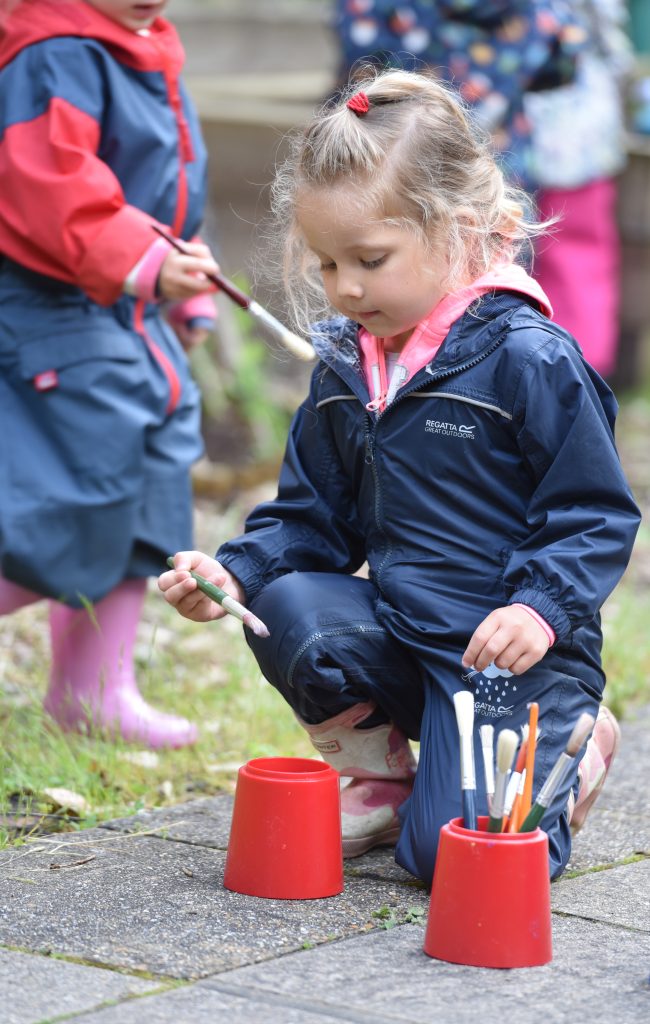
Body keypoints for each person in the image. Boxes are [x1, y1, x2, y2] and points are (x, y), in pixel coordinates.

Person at [159, 68, 640, 885]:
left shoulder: (530, 359)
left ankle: (572, 737)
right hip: (403, 633)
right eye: (327, 263)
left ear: (459, 231)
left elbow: (593, 512)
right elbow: (310, 523)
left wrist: (542, 607)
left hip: (510, 658)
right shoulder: (346, 366)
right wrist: (230, 572)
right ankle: (383, 781)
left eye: (370, 260)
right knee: (287, 606)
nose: (345, 288)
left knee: (449, 861)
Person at [0, 0, 221, 748]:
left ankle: (93, 688)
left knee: (152, 493)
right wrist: (150, 262)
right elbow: (47, 180)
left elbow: (178, 180)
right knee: (76, 503)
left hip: (135, 310)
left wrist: (189, 285)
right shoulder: (52, 48)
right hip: (57, 304)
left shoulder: (146, 42)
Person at [525, 0, 632, 379]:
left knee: (571, 254)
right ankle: (575, 375)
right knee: (572, 255)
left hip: (560, 123)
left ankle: (575, 374)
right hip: (568, 120)